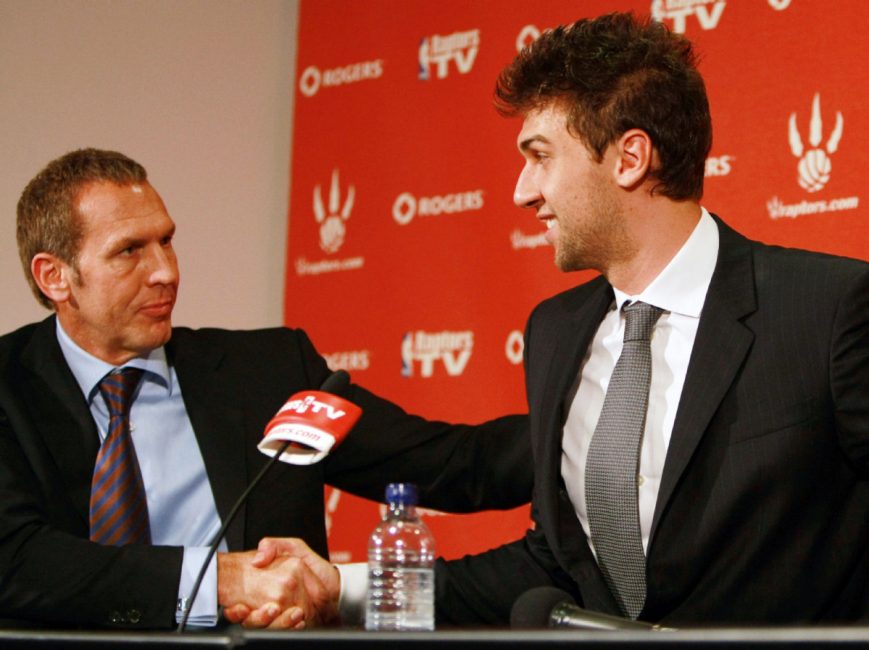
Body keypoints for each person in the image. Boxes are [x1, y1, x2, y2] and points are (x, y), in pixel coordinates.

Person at [246, 11, 868, 627]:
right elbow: (556, 568)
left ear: (629, 158)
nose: (522, 190)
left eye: (540, 156)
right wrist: (347, 589)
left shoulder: (829, 308)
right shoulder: (556, 332)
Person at [0, 148, 532, 630]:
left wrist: (588, 435)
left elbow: (453, 464)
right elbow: (17, 562)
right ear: (55, 277)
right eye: (129, 252)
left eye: (166, 241)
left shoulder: (267, 373)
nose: (165, 272)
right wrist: (221, 581)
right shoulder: (9, 387)